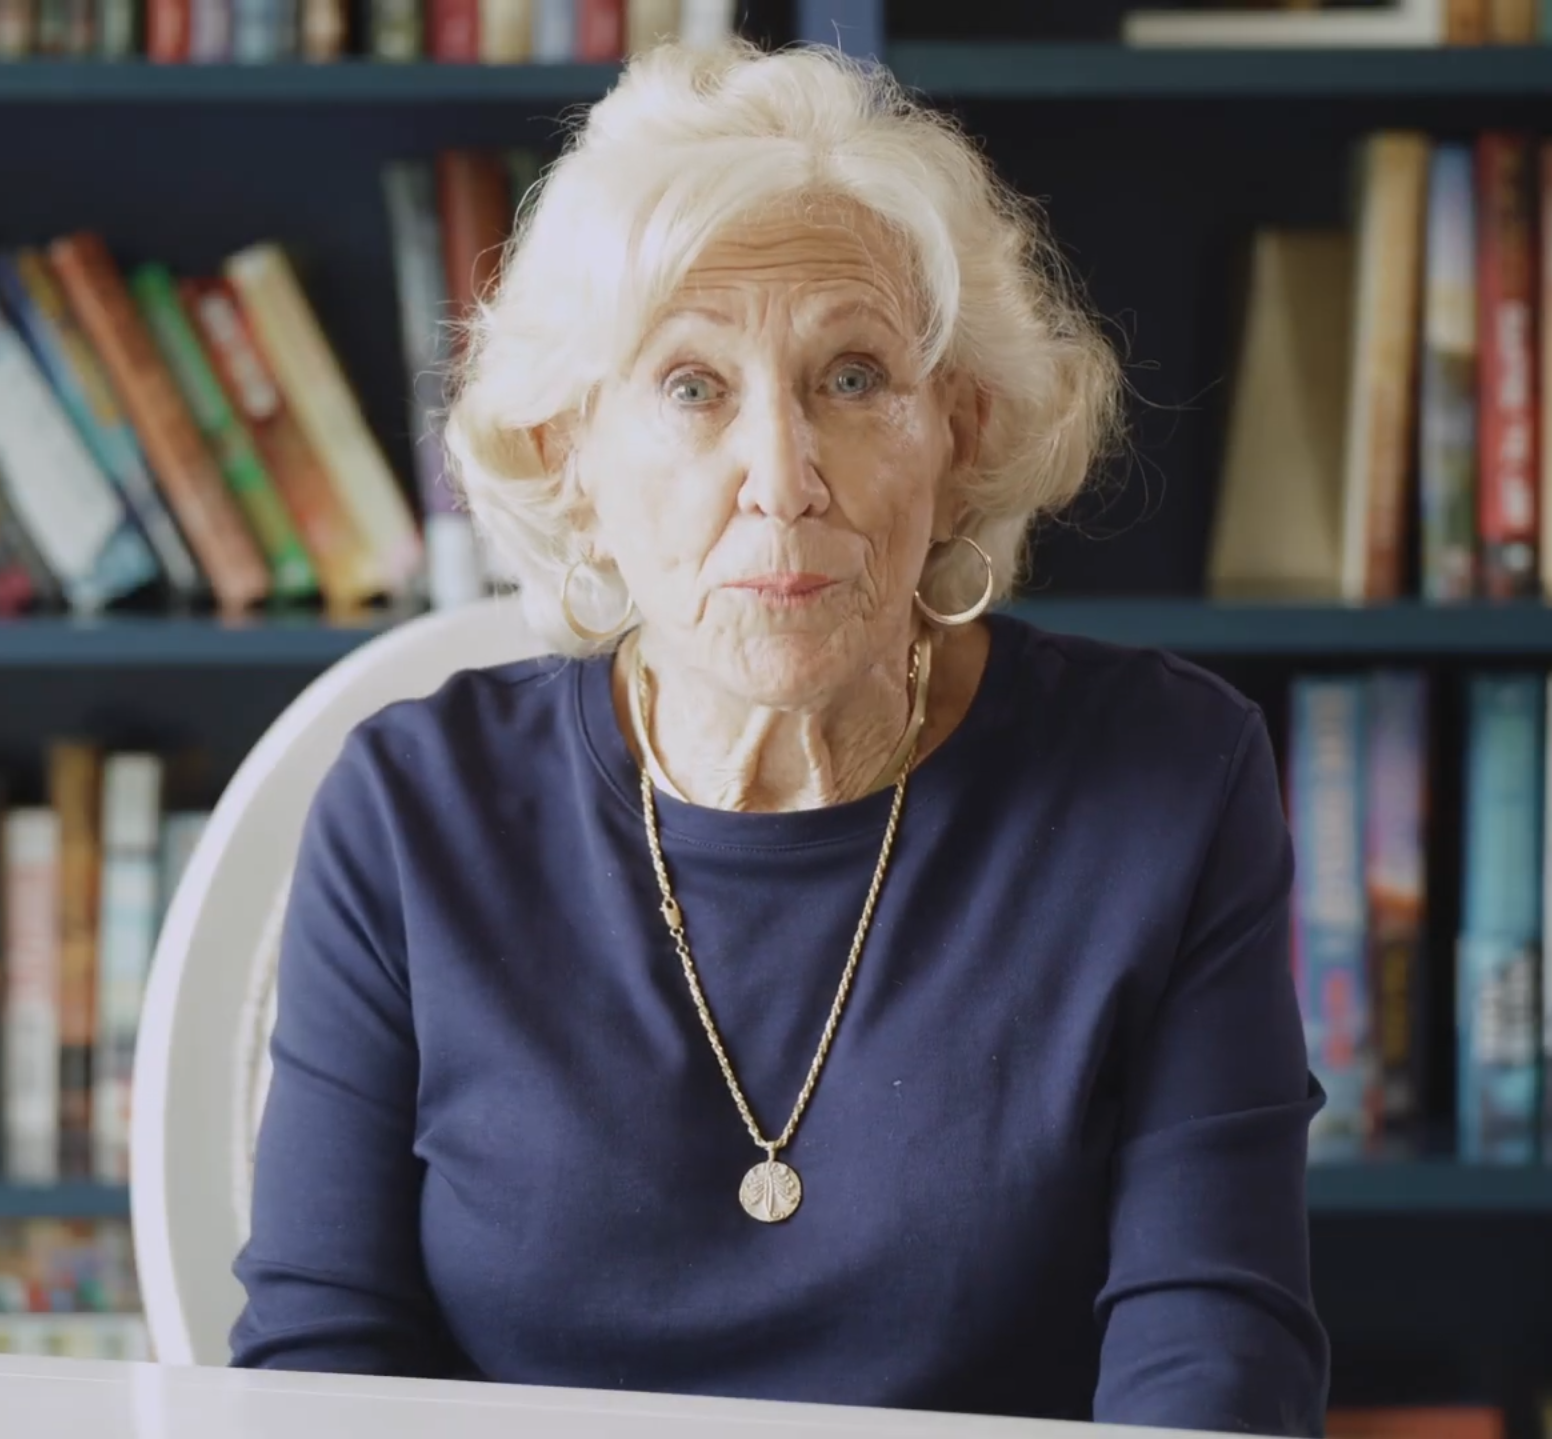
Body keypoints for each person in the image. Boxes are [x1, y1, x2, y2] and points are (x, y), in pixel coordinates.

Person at [227, 37, 1330, 1438]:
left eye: (853, 378)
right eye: (692, 386)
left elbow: (1213, 1359)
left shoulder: (1170, 781)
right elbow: (320, 1363)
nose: (782, 478)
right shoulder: (407, 813)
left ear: (960, 431)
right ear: (570, 451)